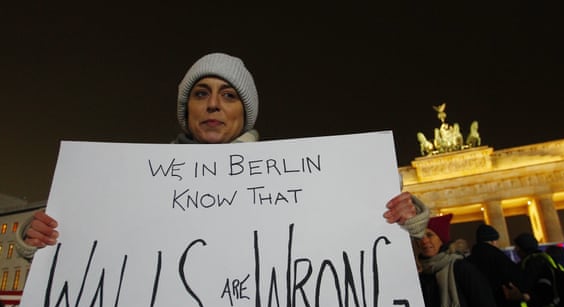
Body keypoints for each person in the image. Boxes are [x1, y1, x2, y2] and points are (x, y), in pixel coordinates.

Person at [17, 52, 431, 259]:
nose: (214, 105)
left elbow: (341, 234)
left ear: (243, 112)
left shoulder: (294, 179)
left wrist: (405, 215)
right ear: (187, 110)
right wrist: (37, 240)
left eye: (228, 96)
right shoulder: (134, 184)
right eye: (202, 94)